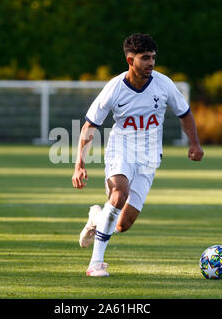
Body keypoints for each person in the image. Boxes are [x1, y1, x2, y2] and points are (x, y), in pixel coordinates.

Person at [72, 33, 204, 277]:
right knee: (119, 194)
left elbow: (184, 113)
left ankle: (96, 217)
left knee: (123, 224)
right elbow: (90, 126)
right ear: (130, 60)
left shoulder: (163, 84)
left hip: (150, 158)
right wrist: (79, 163)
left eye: (153, 57)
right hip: (120, 150)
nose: (151, 63)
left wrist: (194, 143)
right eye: (145, 58)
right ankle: (95, 264)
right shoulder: (113, 88)